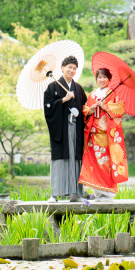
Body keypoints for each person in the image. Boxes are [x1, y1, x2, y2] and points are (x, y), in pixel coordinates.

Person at [79, 67, 129, 201]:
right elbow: (85, 112)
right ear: (96, 80)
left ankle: (108, 193)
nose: (102, 80)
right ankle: (98, 193)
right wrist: (90, 110)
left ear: (109, 80)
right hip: (93, 136)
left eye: (104, 77)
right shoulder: (91, 95)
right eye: (99, 78)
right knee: (94, 164)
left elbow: (119, 110)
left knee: (105, 163)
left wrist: (105, 107)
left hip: (106, 136)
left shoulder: (113, 94)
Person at [43, 56, 87, 202]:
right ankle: (55, 194)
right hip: (60, 129)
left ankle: (75, 194)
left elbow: (84, 107)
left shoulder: (78, 89)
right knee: (60, 160)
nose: (72, 70)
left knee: (75, 158)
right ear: (62, 68)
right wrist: (63, 100)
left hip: (76, 128)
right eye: (69, 67)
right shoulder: (52, 87)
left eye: (74, 68)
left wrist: (86, 110)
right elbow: (47, 107)